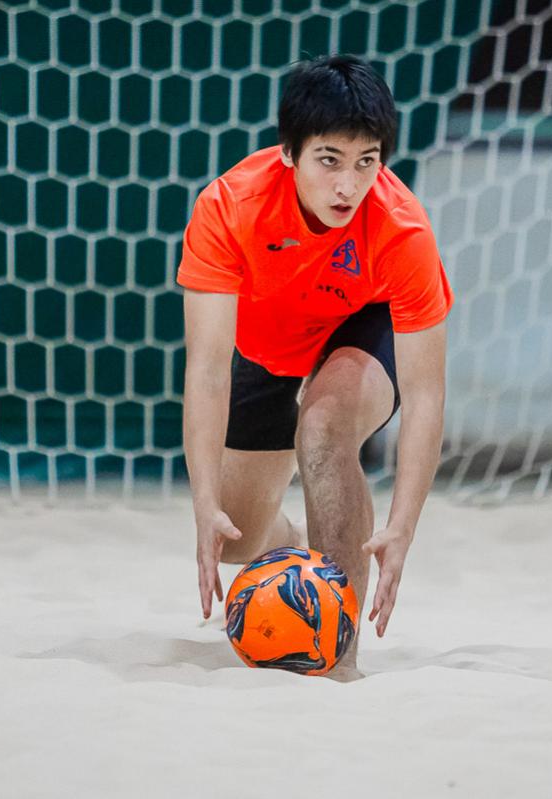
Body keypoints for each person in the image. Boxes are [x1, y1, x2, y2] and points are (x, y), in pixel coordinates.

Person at [177, 54, 452, 675]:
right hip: (268, 345)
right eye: (329, 160)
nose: (348, 185)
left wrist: (402, 526)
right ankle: (299, 551)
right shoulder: (229, 207)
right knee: (238, 537)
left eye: (366, 162)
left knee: (324, 429)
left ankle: (338, 659)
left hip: (358, 325)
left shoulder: (402, 229)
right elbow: (208, 370)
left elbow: (426, 394)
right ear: (288, 153)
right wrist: (203, 503)